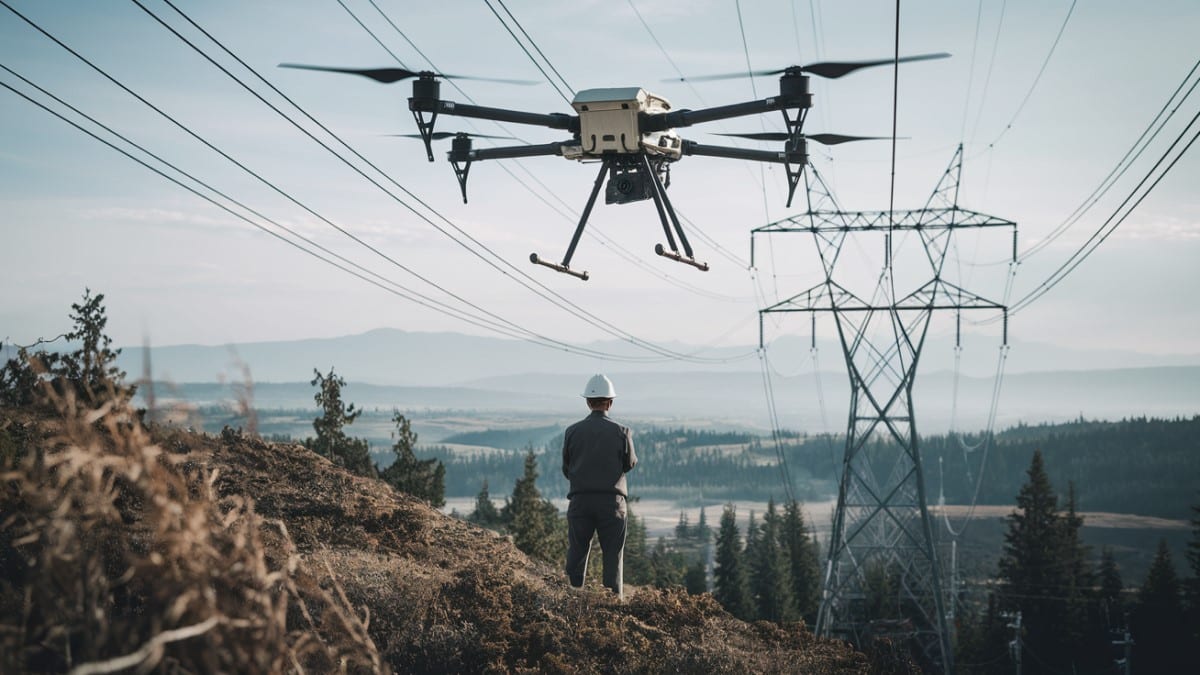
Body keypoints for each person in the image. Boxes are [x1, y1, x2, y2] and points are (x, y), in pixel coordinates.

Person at [561, 373, 637, 599]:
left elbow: (567, 467)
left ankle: (573, 599)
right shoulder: (622, 432)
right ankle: (612, 605)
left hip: (580, 501)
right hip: (612, 503)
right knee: (612, 556)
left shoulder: (572, 431)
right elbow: (630, 463)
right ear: (610, 403)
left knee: (577, 551)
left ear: (587, 402)